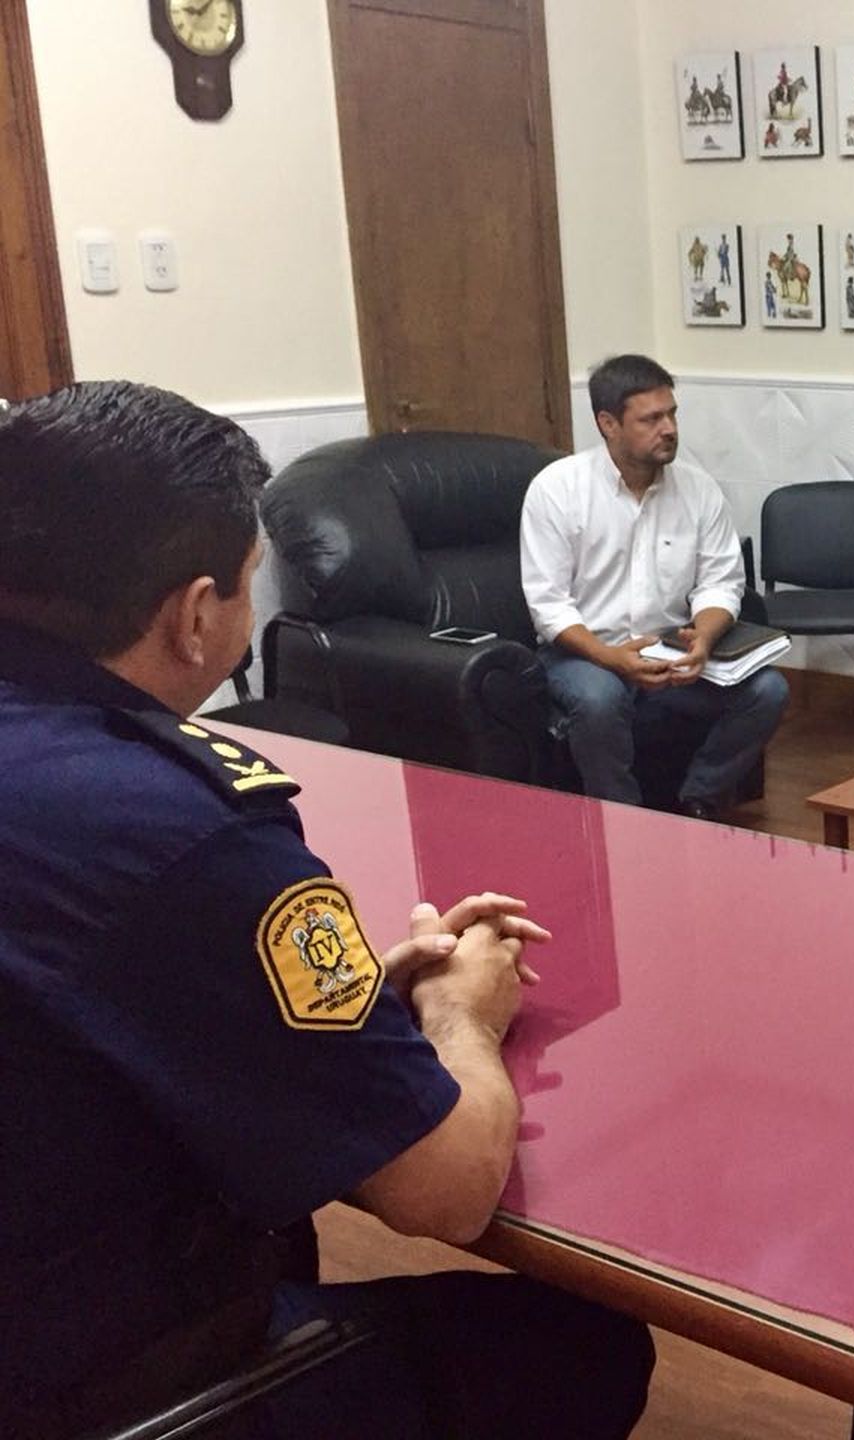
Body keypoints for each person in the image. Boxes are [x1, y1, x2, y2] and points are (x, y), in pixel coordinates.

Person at [0, 382, 653, 1439]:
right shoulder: (189, 828)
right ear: (196, 615)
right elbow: (446, 1193)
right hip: (106, 1379)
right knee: (583, 1348)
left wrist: (339, 996)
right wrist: (460, 1016)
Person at [520, 354, 787, 818]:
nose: (669, 429)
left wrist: (703, 639)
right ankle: (623, 822)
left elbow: (721, 583)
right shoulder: (557, 490)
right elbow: (549, 606)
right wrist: (611, 659)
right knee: (599, 698)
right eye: (651, 419)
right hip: (583, 653)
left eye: (672, 414)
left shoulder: (698, 490)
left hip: (670, 651)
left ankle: (698, 802)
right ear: (608, 423)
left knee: (768, 690)